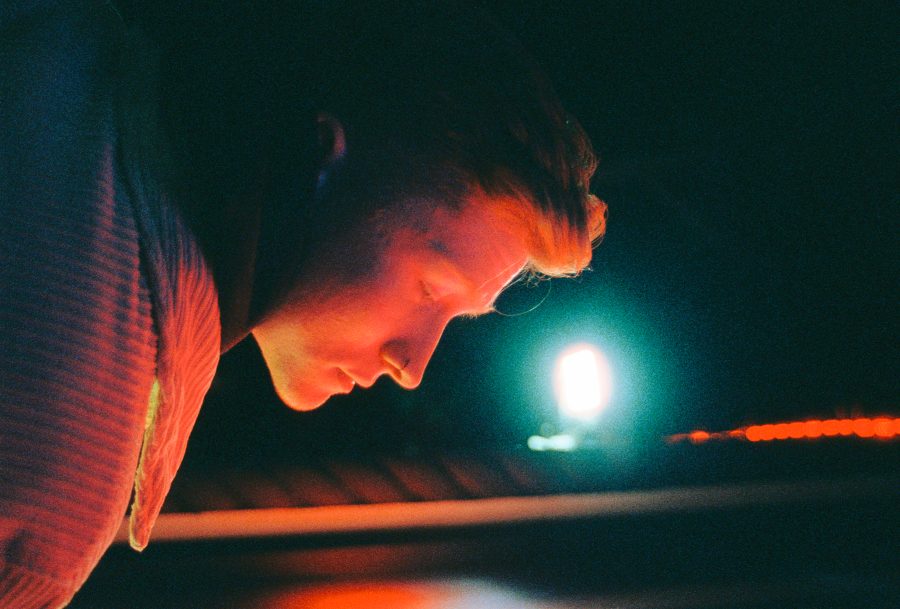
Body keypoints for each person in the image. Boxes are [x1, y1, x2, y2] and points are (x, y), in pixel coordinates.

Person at [0, 1, 606, 606]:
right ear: (317, 153)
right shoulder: (62, 449)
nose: (413, 366)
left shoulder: (60, 49)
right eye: (431, 289)